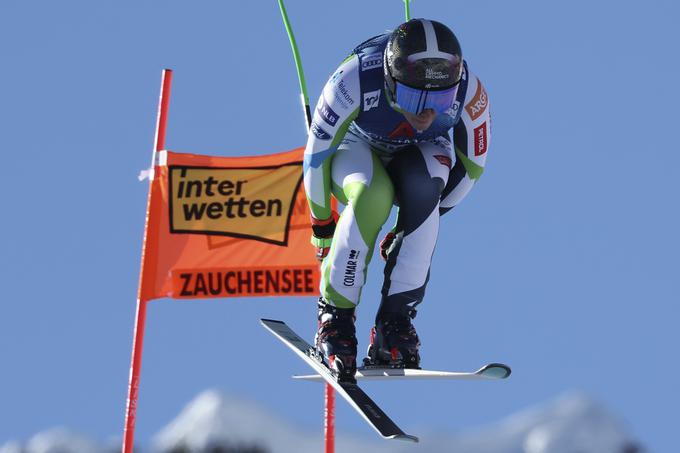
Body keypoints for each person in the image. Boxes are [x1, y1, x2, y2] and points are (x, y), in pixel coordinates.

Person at [303, 18, 491, 382]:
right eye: (413, 97)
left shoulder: (470, 92)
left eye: (439, 99)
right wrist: (322, 224)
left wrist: (409, 224)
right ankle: (335, 317)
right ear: (390, 80)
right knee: (373, 196)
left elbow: (471, 169)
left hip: (420, 150)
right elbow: (315, 156)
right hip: (357, 143)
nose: (426, 114)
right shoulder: (354, 79)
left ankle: (396, 322)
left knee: (426, 190)